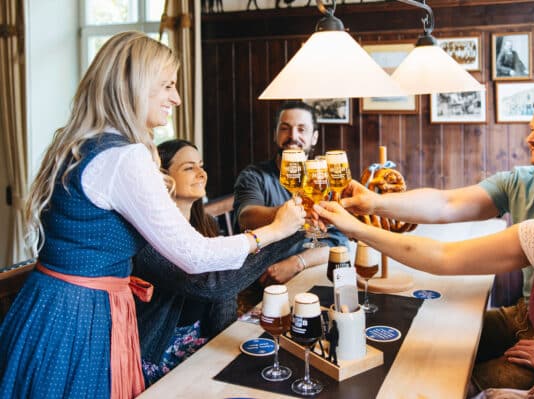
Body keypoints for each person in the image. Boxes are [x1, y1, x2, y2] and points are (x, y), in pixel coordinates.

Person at [0, 32, 304, 399]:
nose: (176, 98)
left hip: (45, 305)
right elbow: (194, 257)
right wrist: (273, 231)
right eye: (167, 86)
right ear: (134, 86)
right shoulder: (125, 157)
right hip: (83, 317)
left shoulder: (76, 142)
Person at [335, 88, 534, 391]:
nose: (532, 138)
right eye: (532, 128)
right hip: (531, 316)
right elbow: (445, 213)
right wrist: (373, 204)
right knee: (428, 339)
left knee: (452, 381)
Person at [133, 139, 305, 385]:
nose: (201, 173)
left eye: (201, 165)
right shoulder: (149, 239)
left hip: (205, 347)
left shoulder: (207, 226)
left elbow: (224, 294)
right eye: (189, 167)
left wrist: (229, 346)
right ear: (163, 177)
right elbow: (213, 284)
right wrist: (286, 231)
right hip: (160, 359)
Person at [233, 100, 348, 288]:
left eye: (302, 129)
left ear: (315, 137)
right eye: (285, 128)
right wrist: (296, 213)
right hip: (266, 281)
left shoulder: (322, 180)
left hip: (312, 273)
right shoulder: (254, 176)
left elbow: (339, 243)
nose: (293, 136)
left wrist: (297, 262)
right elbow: (246, 218)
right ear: (275, 134)